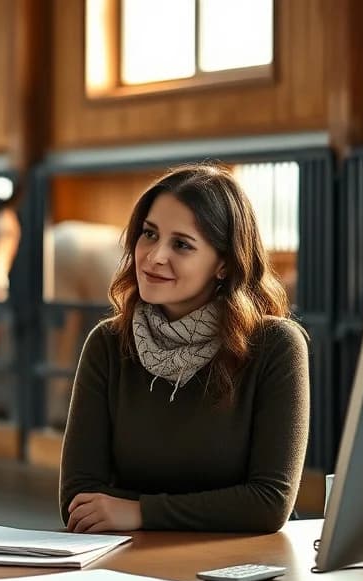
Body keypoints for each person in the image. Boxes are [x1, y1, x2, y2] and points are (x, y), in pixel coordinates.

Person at [59, 164, 309, 534]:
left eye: (182, 244)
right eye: (149, 234)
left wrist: (139, 511)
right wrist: (219, 505)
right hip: (123, 569)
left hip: (236, 568)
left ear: (223, 264)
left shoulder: (275, 346)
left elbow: (269, 502)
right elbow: (79, 501)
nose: (155, 256)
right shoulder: (107, 344)